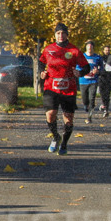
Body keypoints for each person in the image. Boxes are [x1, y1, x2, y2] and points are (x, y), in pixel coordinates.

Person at [39, 23, 90, 154]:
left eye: (63, 33)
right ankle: (56, 137)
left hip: (68, 88)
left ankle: (64, 144)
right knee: (50, 115)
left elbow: (86, 67)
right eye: (58, 33)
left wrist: (80, 73)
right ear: (54, 35)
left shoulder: (74, 50)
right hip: (51, 87)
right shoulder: (48, 49)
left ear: (67, 34)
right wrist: (42, 72)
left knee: (68, 118)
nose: (60, 35)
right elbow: (41, 62)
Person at [78, 40, 103, 124]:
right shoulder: (82, 57)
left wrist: (98, 71)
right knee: (85, 99)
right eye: (88, 47)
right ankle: (86, 106)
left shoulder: (97, 57)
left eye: (91, 47)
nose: (89, 48)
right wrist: (82, 72)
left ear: (93, 48)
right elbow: (77, 67)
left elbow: (102, 68)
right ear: (86, 48)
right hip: (83, 81)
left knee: (92, 98)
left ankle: (89, 116)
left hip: (93, 80)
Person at [98, 45, 111, 116]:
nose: (107, 52)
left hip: (109, 78)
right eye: (106, 50)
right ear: (103, 51)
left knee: (107, 94)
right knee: (102, 94)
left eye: (108, 50)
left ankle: (106, 109)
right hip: (101, 77)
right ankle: (103, 105)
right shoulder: (100, 58)